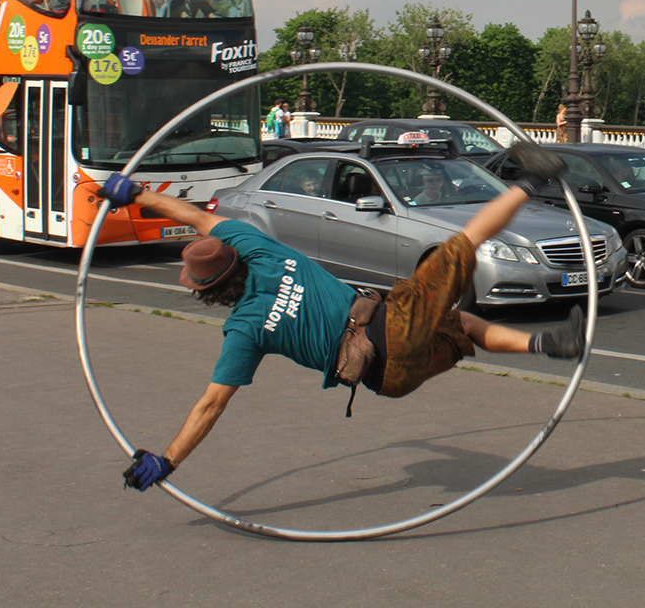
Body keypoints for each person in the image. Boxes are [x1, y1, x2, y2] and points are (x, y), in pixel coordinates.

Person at [113, 143, 585, 492]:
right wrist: (135, 192)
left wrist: (167, 461)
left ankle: (548, 345)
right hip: (390, 327)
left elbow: (211, 405)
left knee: (460, 325)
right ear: (234, 255)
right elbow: (195, 217)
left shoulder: (243, 331)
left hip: (389, 378)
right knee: (460, 246)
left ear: (210, 295)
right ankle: (532, 181)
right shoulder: (257, 247)